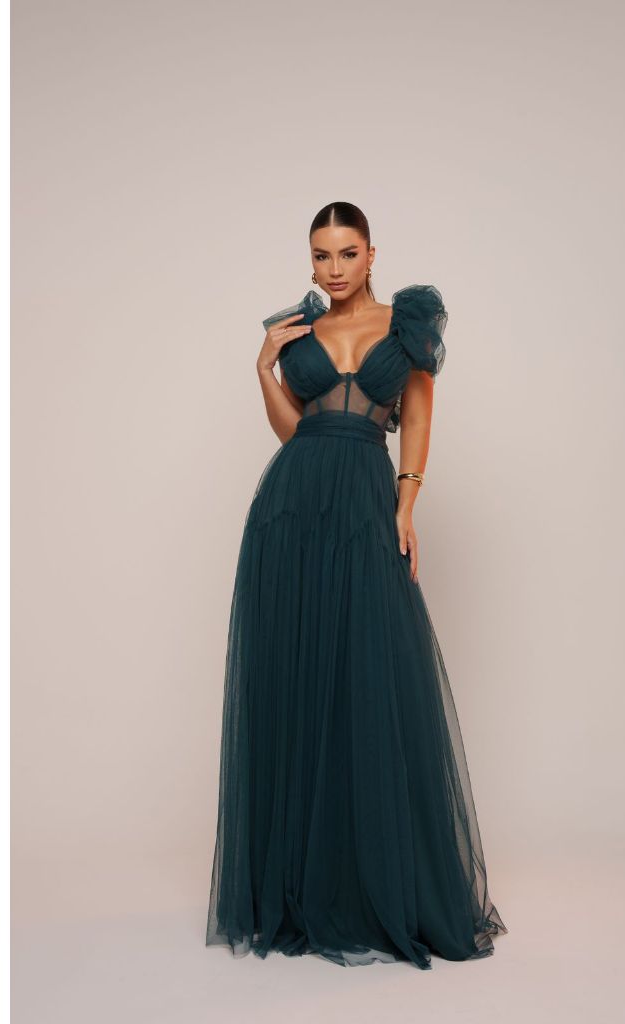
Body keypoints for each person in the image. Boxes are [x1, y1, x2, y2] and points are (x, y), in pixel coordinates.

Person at [205, 201, 507, 970]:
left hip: (366, 507)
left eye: (346, 253)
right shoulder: (298, 332)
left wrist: (406, 507)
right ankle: (303, 889)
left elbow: (417, 420)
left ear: (372, 254)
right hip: (291, 511)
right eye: (321, 255)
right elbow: (296, 431)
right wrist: (263, 370)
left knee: (369, 675)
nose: (333, 268)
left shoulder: (408, 327)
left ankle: (376, 886)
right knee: (298, 681)